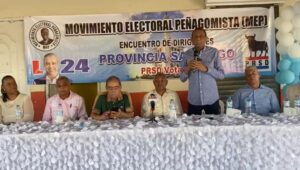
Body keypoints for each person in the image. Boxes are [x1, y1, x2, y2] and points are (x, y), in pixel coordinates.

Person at [180, 27, 225, 115]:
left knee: (213, 127)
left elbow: (221, 75)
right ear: (191, 40)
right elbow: (182, 78)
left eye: (201, 36)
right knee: (193, 127)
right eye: (195, 36)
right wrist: (188, 68)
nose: (198, 38)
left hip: (211, 99)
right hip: (194, 100)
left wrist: (207, 69)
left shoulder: (214, 52)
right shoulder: (186, 55)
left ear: (206, 39)